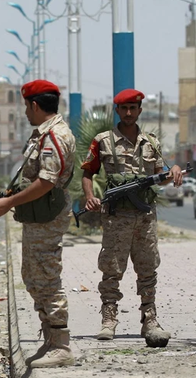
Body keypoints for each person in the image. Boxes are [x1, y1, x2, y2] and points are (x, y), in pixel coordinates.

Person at [80, 89, 183, 347]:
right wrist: (90, 196)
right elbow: (87, 173)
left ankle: (150, 319)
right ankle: (109, 318)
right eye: (124, 108)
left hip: (145, 216)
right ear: (117, 110)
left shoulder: (151, 142)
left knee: (148, 269)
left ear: (139, 110)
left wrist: (176, 171)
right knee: (112, 269)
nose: (128, 113)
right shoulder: (103, 141)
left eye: (133, 108)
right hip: (116, 217)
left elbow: (162, 174)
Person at [0, 79, 76, 368]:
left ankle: (61, 346)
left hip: (47, 220)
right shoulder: (42, 135)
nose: (25, 112)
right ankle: (50, 340)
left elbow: (46, 182)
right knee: (32, 275)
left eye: (26, 106)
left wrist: (9, 203)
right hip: (38, 219)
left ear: (35, 105)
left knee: (47, 278)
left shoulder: (54, 136)